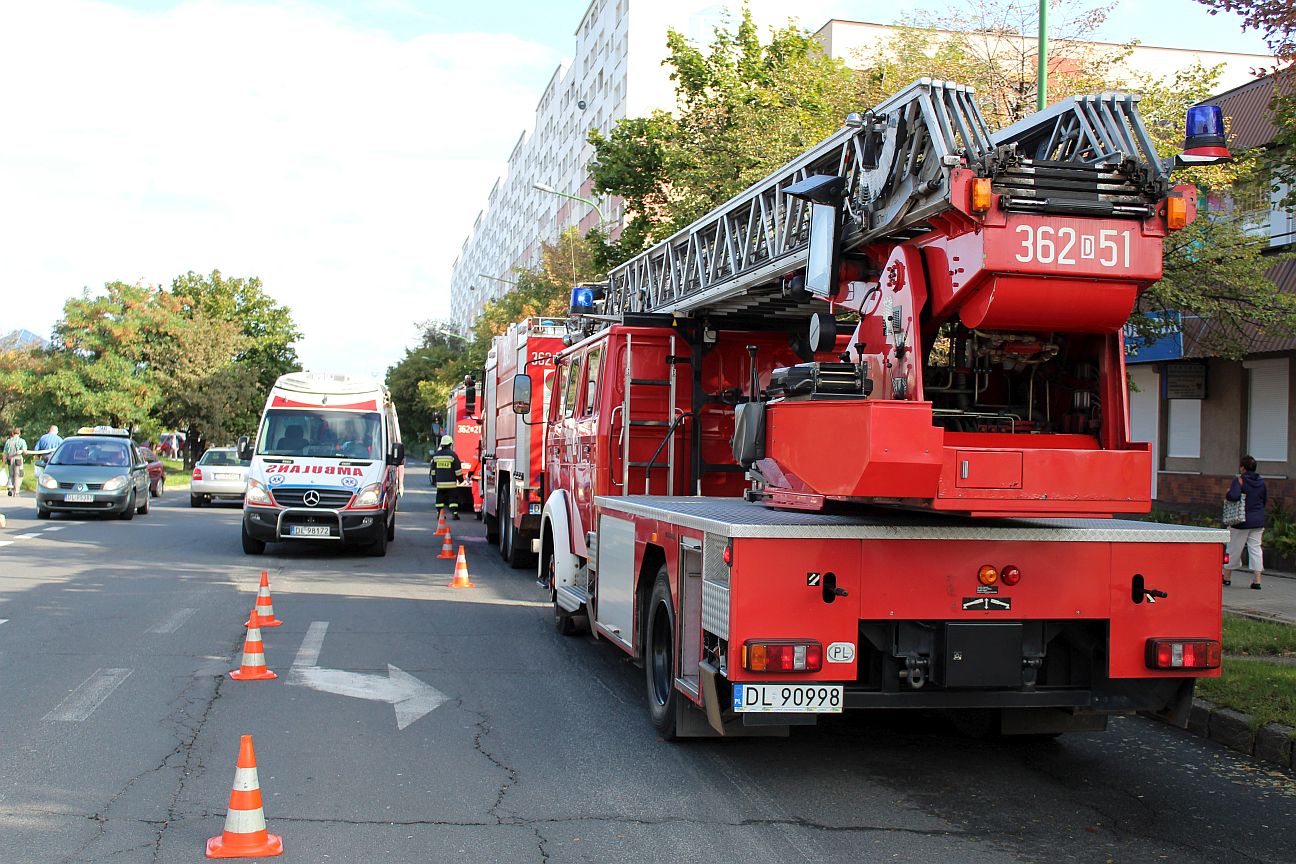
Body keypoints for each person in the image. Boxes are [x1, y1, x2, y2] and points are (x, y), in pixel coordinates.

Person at [1224, 455, 1267, 590]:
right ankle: (1257, 580)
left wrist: (1228, 493)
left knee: (1233, 549)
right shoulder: (1261, 482)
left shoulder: (1240, 480)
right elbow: (1264, 500)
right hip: (1258, 521)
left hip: (1240, 521)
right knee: (1256, 549)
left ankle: (1227, 577)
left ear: (1243, 468)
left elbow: (1234, 496)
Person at [431, 435, 467, 519]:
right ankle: (454, 513)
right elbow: (458, 469)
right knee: (453, 500)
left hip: (440, 484)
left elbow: (433, 470)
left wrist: (434, 480)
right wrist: (461, 480)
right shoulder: (453, 455)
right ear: (450, 444)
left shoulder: (436, 456)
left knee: (439, 500)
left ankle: (440, 514)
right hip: (451, 484)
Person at [4, 428, 29, 497]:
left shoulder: (8, 441)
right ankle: (16, 490)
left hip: (10, 459)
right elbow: (24, 451)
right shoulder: (21, 441)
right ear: (19, 433)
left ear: (12, 433)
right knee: (18, 475)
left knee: (11, 474)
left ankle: (10, 487)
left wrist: (3, 462)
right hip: (18, 459)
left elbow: (5, 453)